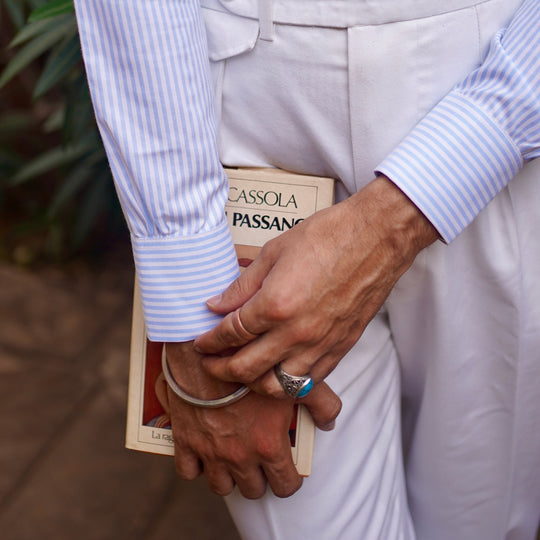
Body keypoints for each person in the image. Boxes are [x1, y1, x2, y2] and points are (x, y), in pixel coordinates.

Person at [74, 0, 540, 538]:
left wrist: (396, 220)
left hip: (490, 89)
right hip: (242, 108)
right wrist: (198, 310)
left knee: (481, 511)